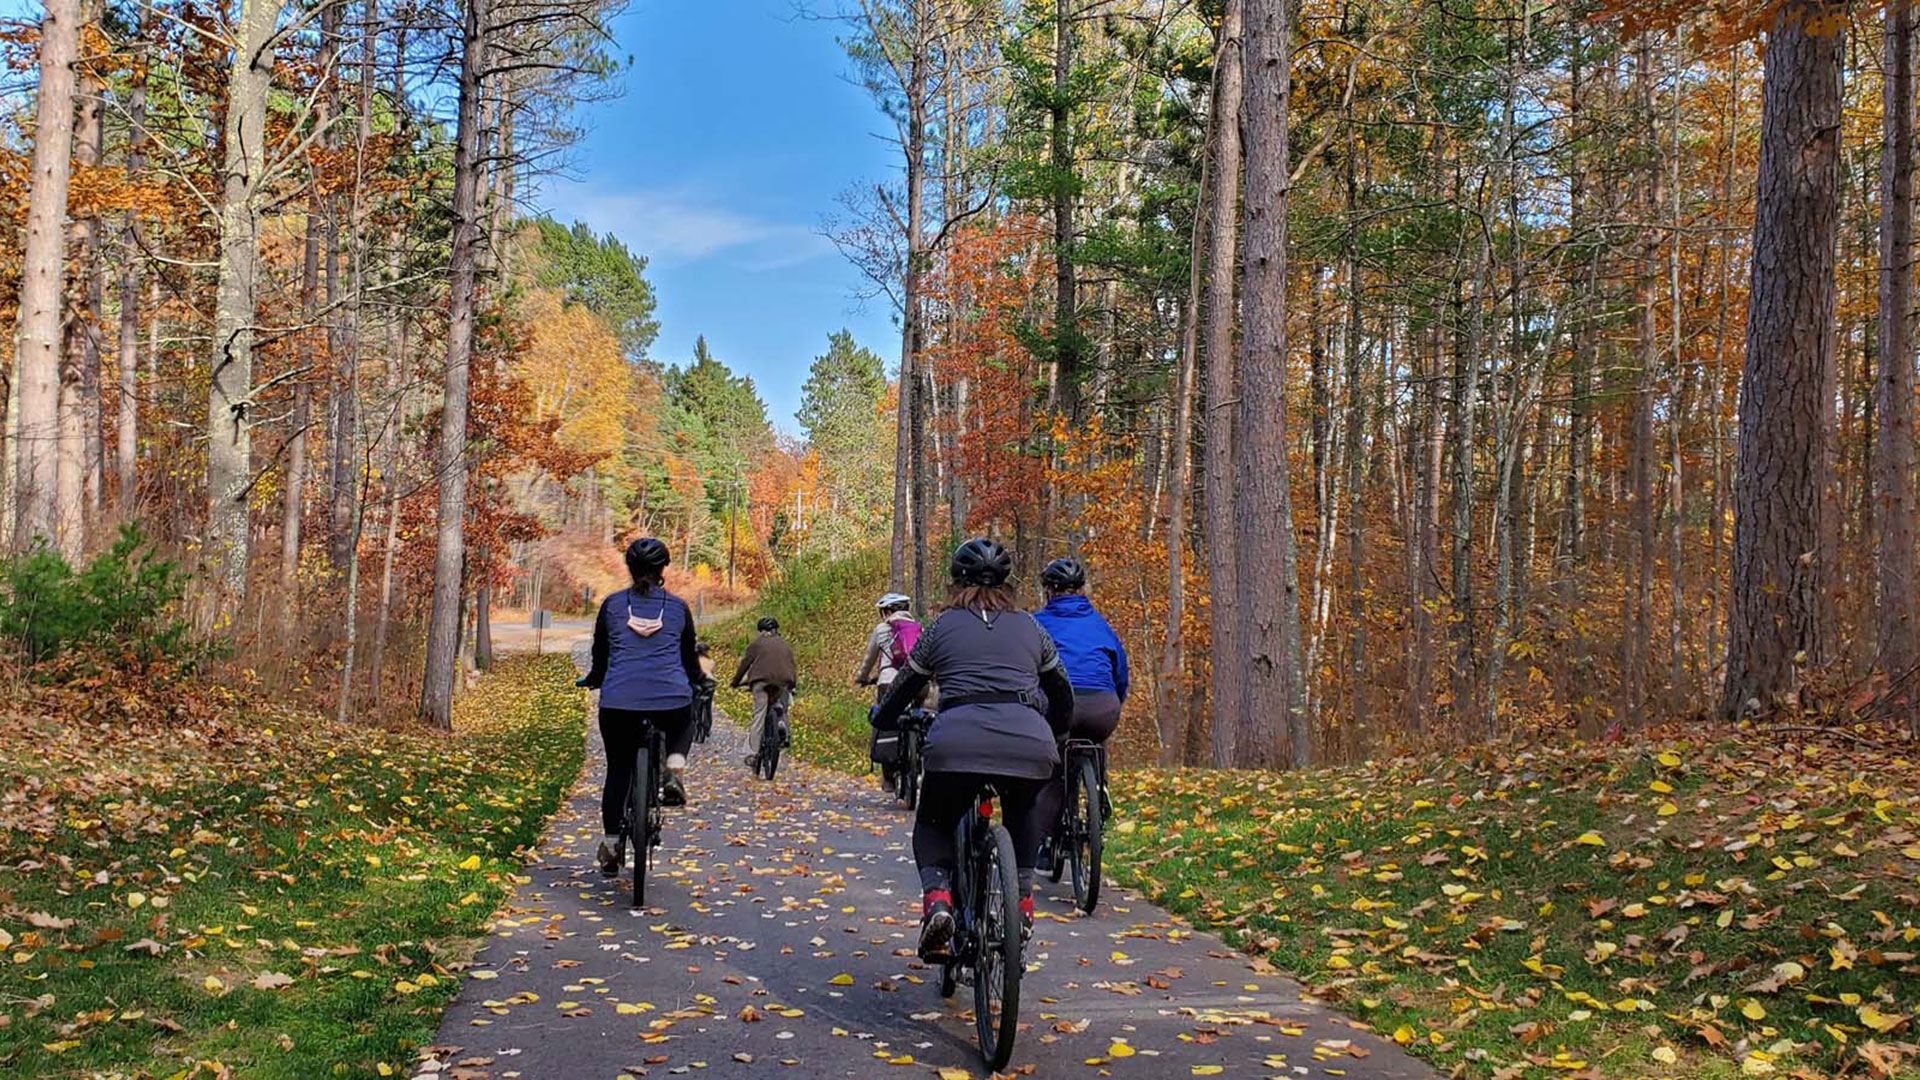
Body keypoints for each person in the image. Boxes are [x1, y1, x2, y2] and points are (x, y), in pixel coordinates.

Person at [872, 538, 1075, 958]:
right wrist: (1052, 733)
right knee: (1022, 809)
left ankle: (939, 902)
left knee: (933, 821)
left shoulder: (943, 627)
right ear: (1008, 583)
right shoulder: (1030, 627)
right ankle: (1021, 903)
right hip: (1027, 741)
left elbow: (908, 682)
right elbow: (1062, 690)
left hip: (957, 743)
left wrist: (882, 718)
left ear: (955, 581)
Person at [577, 537, 709, 876]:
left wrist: (594, 678)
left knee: (618, 769)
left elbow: (601, 654)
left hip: (618, 702)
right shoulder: (678, 608)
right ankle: (673, 770)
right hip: (670, 700)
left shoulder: (612, 605)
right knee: (685, 718)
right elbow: (688, 657)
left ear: (630, 569)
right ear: (662, 569)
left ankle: (610, 843)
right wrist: (698, 679)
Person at [1029, 557, 1128, 872]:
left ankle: (1044, 841)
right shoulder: (1101, 624)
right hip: (1104, 706)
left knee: (1054, 769)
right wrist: (1115, 703)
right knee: (1095, 741)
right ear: (1082, 590)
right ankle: (1101, 791)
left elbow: (1026, 670)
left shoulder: (1036, 623)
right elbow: (1120, 673)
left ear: (1048, 591)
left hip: (1059, 707)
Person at [855, 592, 922, 793]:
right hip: (916, 682)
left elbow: (869, 658)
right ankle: (921, 753)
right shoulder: (919, 628)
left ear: (886, 611)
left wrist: (862, 678)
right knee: (921, 716)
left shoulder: (882, 629)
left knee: (884, 721)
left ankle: (888, 778)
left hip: (888, 682)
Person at [731, 616, 798, 768]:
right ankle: (782, 727)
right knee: (782, 708)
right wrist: (792, 685)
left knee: (759, 714)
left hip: (760, 681)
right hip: (783, 681)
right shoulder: (785, 644)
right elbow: (792, 665)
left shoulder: (757, 643)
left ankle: (753, 753)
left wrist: (736, 682)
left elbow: (745, 663)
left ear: (761, 631)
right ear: (776, 630)